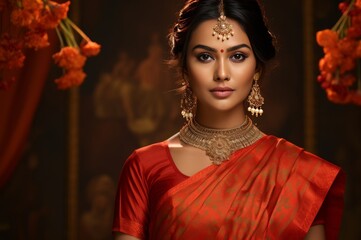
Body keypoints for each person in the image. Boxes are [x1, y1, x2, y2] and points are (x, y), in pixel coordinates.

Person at [112, 0, 345, 239]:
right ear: (184, 69)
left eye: (237, 56)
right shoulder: (145, 167)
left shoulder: (298, 174)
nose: (221, 73)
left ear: (257, 68)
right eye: (205, 57)